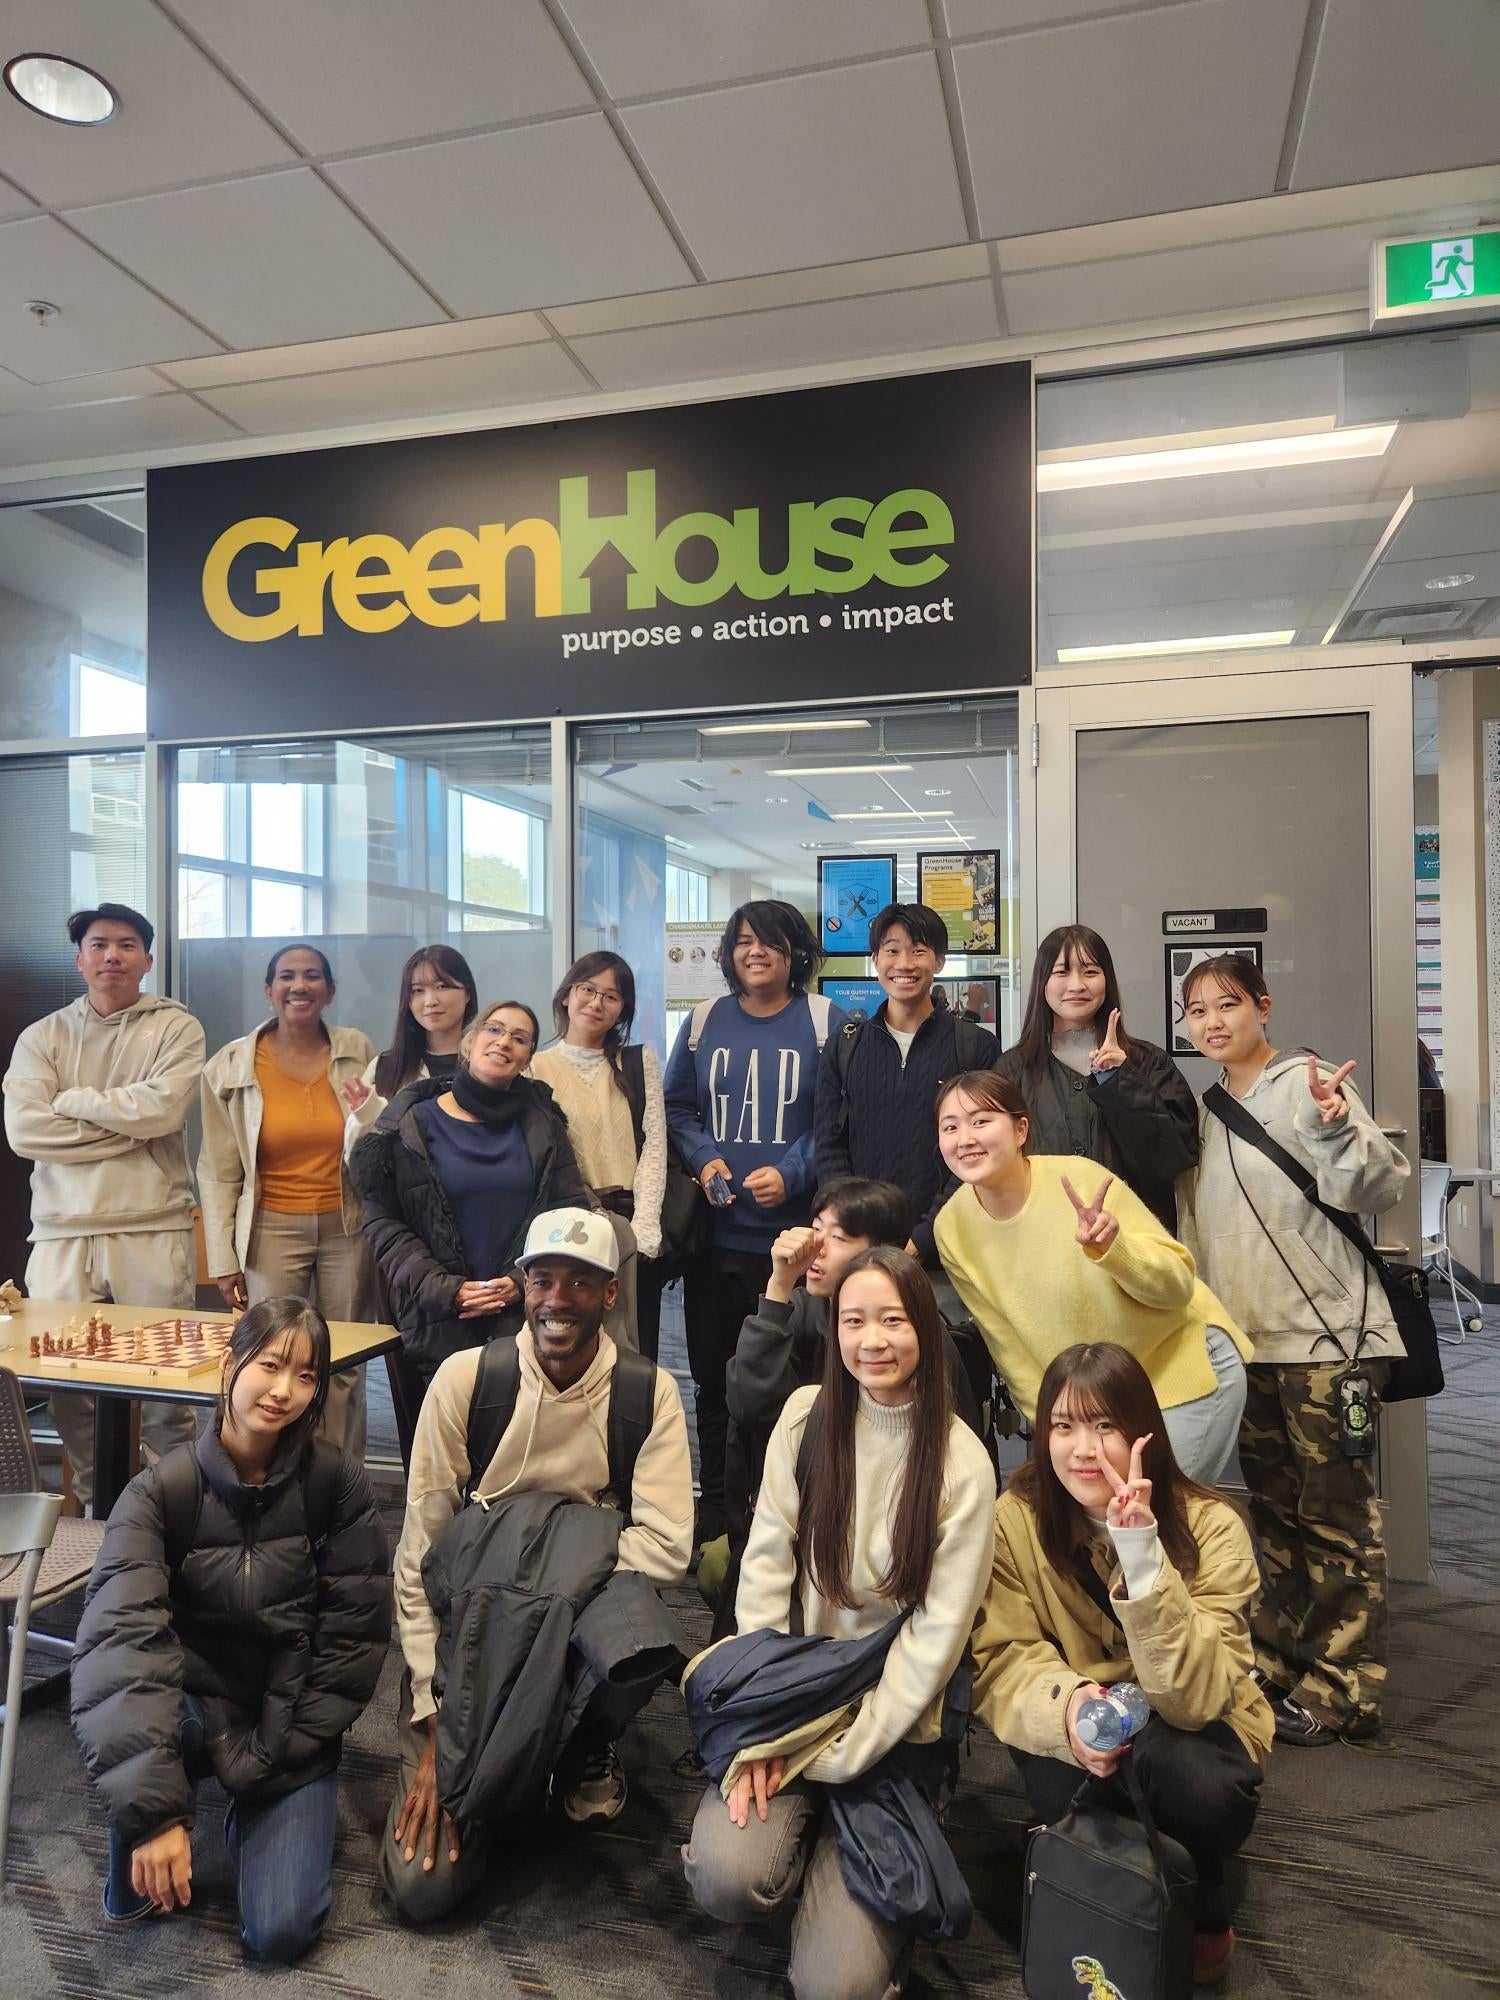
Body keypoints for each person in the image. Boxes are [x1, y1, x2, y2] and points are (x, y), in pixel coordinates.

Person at [683, 1247, 996, 1999]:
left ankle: (853, 1847)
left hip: (890, 1730)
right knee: (724, 1879)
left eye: (894, 1320)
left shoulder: (963, 1464)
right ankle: (808, 1843)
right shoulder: (806, 1416)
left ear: (925, 1325)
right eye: (854, 1321)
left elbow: (932, 1647)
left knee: (837, 1989)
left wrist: (841, 1757)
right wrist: (766, 1724)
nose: (872, 1341)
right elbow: (764, 1573)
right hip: (796, 1701)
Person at [383, 1207, 694, 1923]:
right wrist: (434, 1716)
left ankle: (587, 1738)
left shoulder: (648, 1393)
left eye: (580, 1283)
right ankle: (502, 1769)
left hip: (576, 1609)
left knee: (643, 1630)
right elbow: (419, 1551)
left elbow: (668, 1546)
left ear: (610, 1295)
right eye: (543, 1279)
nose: (558, 1300)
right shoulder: (469, 1379)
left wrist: (549, 1592)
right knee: (423, 1891)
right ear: (522, 1285)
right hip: (474, 1623)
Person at [70, 1299, 390, 1963]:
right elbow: (120, 1646)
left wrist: (286, 1751)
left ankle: (247, 1807)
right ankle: (162, 1799)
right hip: (188, 1702)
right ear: (229, 1364)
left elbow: (353, 1640)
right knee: (133, 1893)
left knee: (280, 1933)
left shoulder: (337, 1483)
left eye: (306, 1376)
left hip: (285, 1715)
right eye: (270, 1365)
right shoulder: (161, 1491)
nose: (284, 1390)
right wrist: (153, 1814)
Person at [972, 1341, 1269, 1988]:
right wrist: (1071, 1707)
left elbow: (1194, 1697)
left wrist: (1140, 1553)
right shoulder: (1014, 1522)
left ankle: (1201, 1898)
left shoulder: (1214, 1527)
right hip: (1078, 1716)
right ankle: (1129, 1876)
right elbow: (1004, 1658)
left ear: (1143, 1433)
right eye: (1064, 1425)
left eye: (1105, 1425)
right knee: (1072, 1789)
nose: (1084, 1448)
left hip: (1184, 1722)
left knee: (1209, 1794)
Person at [1174, 953, 1409, 1745]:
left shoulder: (1309, 1082)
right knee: (1273, 1515)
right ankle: (1284, 1659)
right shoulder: (1206, 1110)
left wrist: (1337, 1124)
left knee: (1338, 1518)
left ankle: (1346, 1688)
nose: (1212, 1021)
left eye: (1227, 1005)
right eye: (1197, 1010)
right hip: (1249, 1347)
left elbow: (1376, 1190)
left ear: (1262, 1007)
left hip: (1326, 1345)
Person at [933, 1071, 1250, 1482]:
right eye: (950, 1127)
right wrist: (1056, 1427)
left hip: (1179, 1370)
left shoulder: (1079, 1181)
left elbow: (1176, 1286)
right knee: (1101, 1530)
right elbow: (1008, 1348)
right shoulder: (951, 1227)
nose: (966, 1138)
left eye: (981, 1121)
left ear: (1020, 1129)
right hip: (1094, 1405)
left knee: (1155, 1520)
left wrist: (1114, 1250)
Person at [2, 904, 202, 1510]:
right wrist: (120, 1126)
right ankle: (97, 1514)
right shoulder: (43, 1036)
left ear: (147, 957)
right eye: (98, 945)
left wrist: (75, 1101)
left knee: (170, 1385)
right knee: (68, 1389)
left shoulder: (176, 1027)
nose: (111, 955)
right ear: (80, 958)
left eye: (125, 945)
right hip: (61, 1233)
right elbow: (24, 1131)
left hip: (151, 1223)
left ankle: (176, 1515)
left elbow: (164, 1112)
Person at [664, 899, 843, 1544]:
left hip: (795, 1246)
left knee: (792, 1383)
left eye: (768, 941)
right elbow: (678, 1108)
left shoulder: (826, 1021)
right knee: (714, 1380)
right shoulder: (703, 1020)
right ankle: (716, 1510)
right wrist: (707, 1158)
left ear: (794, 952)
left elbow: (836, 1119)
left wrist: (792, 1173)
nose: (754, 952)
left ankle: (793, 1509)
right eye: (742, 942)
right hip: (716, 1244)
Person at [350, 1000, 595, 1388]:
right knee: (439, 1442)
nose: (503, 1042)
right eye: (494, 1030)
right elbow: (382, 1221)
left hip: (524, 1316)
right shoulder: (413, 1122)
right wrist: (445, 1290)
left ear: (528, 1057)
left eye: (519, 1038)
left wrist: (521, 1281)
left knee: (520, 1441)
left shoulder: (543, 1125)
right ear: (469, 1042)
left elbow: (570, 1213)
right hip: (434, 1315)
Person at [198, 944, 375, 1454]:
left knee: (342, 1361)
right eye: (288, 976)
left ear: (331, 991)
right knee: (272, 1356)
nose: (300, 985)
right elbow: (216, 1169)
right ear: (269, 990)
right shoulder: (230, 1065)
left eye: (313, 976)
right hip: (270, 1227)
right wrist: (223, 1259)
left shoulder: (357, 1051)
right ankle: (270, 1473)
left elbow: (378, 1132)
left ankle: (338, 1479)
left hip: (348, 1227)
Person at [813, 903, 997, 1267]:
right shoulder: (844, 1045)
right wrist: (853, 1226)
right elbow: (828, 1145)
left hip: (950, 1248)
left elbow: (984, 1151)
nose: (904, 964)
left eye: (918, 951)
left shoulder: (975, 1046)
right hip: (859, 1244)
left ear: (939, 961)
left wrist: (925, 1236)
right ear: (875, 959)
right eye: (892, 950)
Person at [995, 925, 1198, 1231]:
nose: (1076, 985)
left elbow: (1174, 1160)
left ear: (1107, 981)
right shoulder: (1012, 1070)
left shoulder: (1147, 1062)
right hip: (1044, 1240)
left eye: (1090, 971)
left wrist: (1120, 1080)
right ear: (1042, 983)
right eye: (1061, 972)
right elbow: (995, 1166)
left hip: (1134, 1241)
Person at [530, 951, 668, 1358]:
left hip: (631, 1222)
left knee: (634, 1346)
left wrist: (644, 1227)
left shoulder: (638, 1061)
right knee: (570, 1341)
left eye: (611, 996)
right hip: (567, 1224)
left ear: (623, 1009)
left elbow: (655, 1144)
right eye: (587, 989)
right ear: (566, 996)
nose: (596, 1002)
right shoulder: (535, 1068)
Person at [340, 944, 478, 1156]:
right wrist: (366, 1115)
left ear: (467, 993)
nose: (431, 1001)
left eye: (442, 986)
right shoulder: (385, 1067)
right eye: (418, 991)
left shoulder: (488, 1063)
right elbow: (356, 1161)